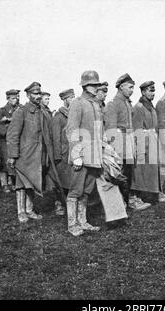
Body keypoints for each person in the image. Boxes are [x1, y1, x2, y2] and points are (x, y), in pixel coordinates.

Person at [7, 82, 59, 223]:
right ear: (28, 95)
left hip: (38, 155)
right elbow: (12, 135)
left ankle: (29, 210)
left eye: (39, 94)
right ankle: (21, 212)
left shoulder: (42, 111)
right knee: (21, 184)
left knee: (33, 182)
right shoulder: (21, 112)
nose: (38, 96)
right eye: (35, 94)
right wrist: (12, 156)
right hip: (24, 155)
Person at [65, 70, 104, 236]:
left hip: (94, 156)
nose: (96, 87)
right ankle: (72, 224)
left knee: (87, 190)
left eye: (97, 84)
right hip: (81, 156)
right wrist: (76, 155)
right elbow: (71, 130)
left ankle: (83, 221)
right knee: (75, 190)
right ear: (84, 86)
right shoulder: (77, 103)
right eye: (92, 85)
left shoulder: (96, 104)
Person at [104, 73, 151, 211]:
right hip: (120, 143)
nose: (132, 90)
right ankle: (121, 202)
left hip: (129, 141)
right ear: (121, 87)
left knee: (129, 172)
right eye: (130, 87)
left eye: (133, 88)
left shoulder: (127, 103)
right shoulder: (114, 104)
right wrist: (113, 149)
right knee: (121, 172)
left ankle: (127, 200)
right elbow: (111, 130)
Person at [131, 81, 165, 202]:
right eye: (150, 91)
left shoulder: (150, 106)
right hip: (145, 142)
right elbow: (137, 128)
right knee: (142, 170)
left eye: (153, 91)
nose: (152, 93)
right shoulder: (139, 107)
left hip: (153, 139)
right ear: (143, 92)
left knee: (155, 168)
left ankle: (157, 192)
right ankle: (140, 195)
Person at [52, 88, 75, 215]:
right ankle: (59, 203)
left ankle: (70, 204)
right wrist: (57, 155)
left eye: (73, 97)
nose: (72, 100)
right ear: (64, 100)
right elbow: (56, 138)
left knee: (71, 180)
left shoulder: (73, 114)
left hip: (73, 153)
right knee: (61, 181)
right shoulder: (58, 117)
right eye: (70, 98)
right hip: (63, 154)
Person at [0, 89, 20, 193]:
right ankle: (4, 184)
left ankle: (12, 182)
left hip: (16, 139)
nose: (15, 100)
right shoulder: (2, 110)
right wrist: (5, 131)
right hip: (5, 140)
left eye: (16, 98)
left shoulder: (20, 108)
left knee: (15, 161)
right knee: (5, 161)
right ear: (7, 99)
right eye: (12, 98)